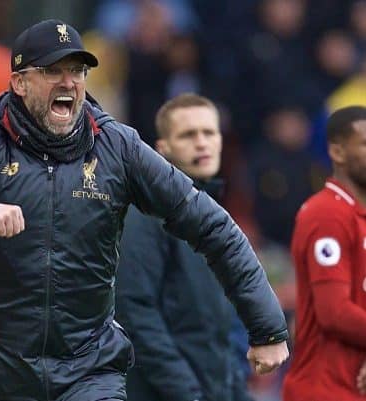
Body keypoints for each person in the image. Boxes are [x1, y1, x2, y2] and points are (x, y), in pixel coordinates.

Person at [0, 19, 289, 401]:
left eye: (77, 71)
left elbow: (213, 226)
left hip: (89, 374)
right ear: (20, 83)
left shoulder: (118, 146)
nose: (69, 83)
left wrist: (267, 325)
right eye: (53, 71)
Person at [115, 93, 254, 401]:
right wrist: (186, 392)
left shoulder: (218, 216)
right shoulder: (146, 215)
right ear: (163, 148)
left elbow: (223, 323)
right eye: (188, 135)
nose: (202, 143)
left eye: (209, 133)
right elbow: (134, 311)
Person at [282, 105, 366, 401]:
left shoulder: (359, 216)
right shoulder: (326, 213)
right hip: (324, 389)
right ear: (338, 152)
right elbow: (334, 313)